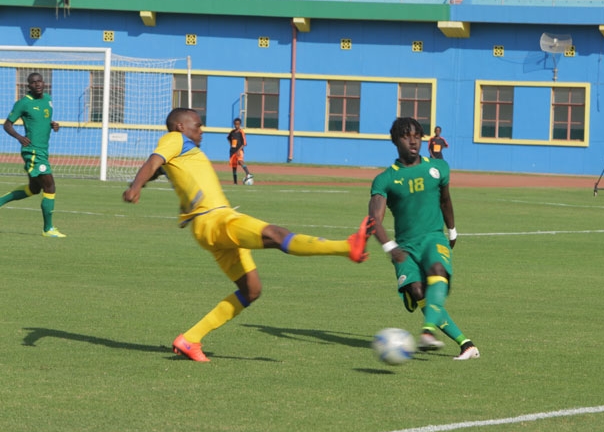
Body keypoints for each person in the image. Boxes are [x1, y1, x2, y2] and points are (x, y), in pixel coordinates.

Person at [123, 108, 375, 362]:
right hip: (215, 220)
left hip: (211, 227)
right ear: (180, 126)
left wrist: (145, 180)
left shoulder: (182, 150)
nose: (201, 130)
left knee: (251, 290)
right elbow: (154, 160)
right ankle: (346, 247)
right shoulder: (174, 139)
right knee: (276, 235)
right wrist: (136, 186)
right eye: (197, 125)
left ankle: (190, 339)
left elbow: (157, 167)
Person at [368, 117, 479, 360]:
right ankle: (466, 344)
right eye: (406, 136)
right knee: (418, 291)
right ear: (396, 140)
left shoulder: (438, 168)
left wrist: (452, 230)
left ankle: (428, 331)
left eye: (417, 136)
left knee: (437, 269)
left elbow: (445, 200)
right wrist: (390, 248)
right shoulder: (385, 179)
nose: (412, 141)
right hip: (405, 246)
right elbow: (374, 219)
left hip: (432, 237)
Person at [1, 72, 66, 237]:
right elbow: (7, 125)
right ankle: (48, 229)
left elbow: (42, 120)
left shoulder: (48, 100)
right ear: (28, 86)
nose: (37, 84)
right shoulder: (23, 103)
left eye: (39, 81)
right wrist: (19, 137)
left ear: (44, 83)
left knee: (33, 189)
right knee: (50, 186)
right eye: (33, 82)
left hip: (43, 149)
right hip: (33, 151)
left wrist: (53, 125)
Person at [227, 117, 253, 185]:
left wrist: (238, 150)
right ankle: (235, 182)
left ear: (240, 124)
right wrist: (231, 145)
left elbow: (244, 143)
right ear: (234, 124)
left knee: (240, 160)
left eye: (238, 124)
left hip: (239, 150)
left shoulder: (241, 132)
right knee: (234, 167)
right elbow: (228, 138)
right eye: (235, 124)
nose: (236, 125)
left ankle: (248, 173)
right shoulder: (232, 132)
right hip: (232, 151)